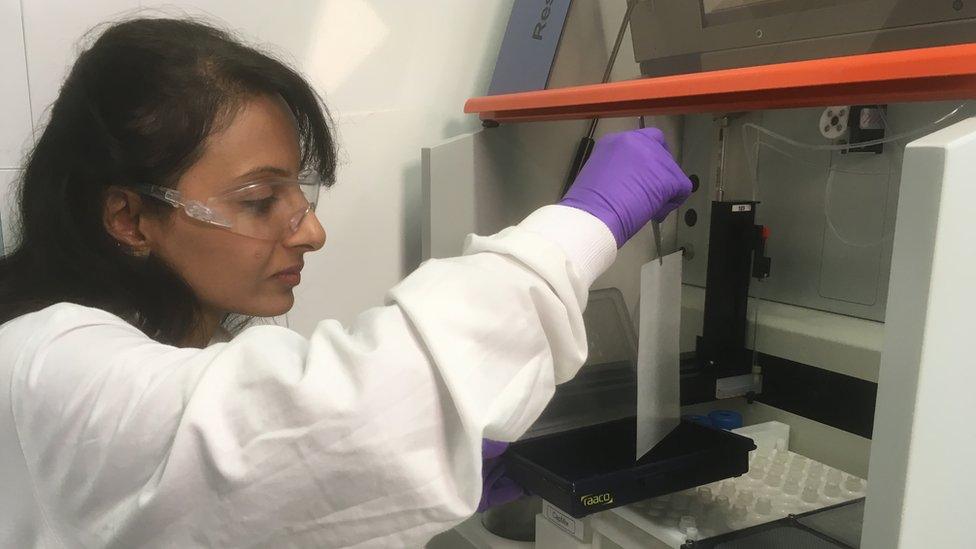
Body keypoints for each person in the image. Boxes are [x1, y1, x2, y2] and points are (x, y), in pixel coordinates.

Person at [0, 18, 692, 548]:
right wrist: (581, 226)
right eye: (258, 199)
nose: (309, 232)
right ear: (129, 216)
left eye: (298, 194)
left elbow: (224, 511)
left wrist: (383, 493)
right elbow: (330, 415)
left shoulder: (142, 348)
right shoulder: (49, 361)